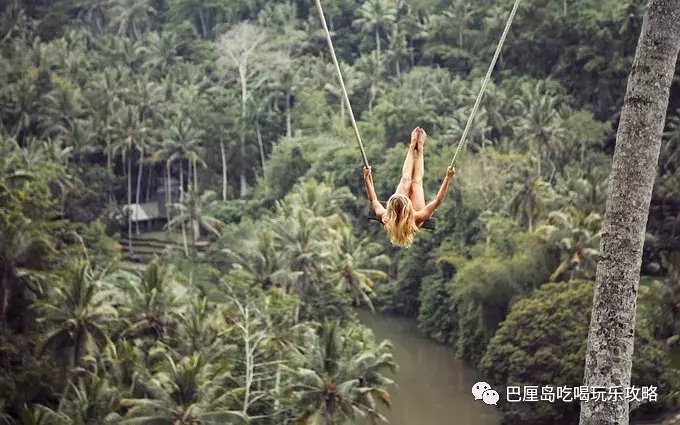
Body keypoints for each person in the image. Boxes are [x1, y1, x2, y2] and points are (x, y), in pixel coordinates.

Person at [363, 127, 456, 248]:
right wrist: (448, 177)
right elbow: (437, 201)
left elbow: (373, 200)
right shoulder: (416, 218)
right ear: (408, 207)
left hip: (403, 215)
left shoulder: (386, 217)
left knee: (406, 180)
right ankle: (420, 148)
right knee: (416, 183)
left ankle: (412, 146)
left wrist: (367, 177)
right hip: (412, 215)